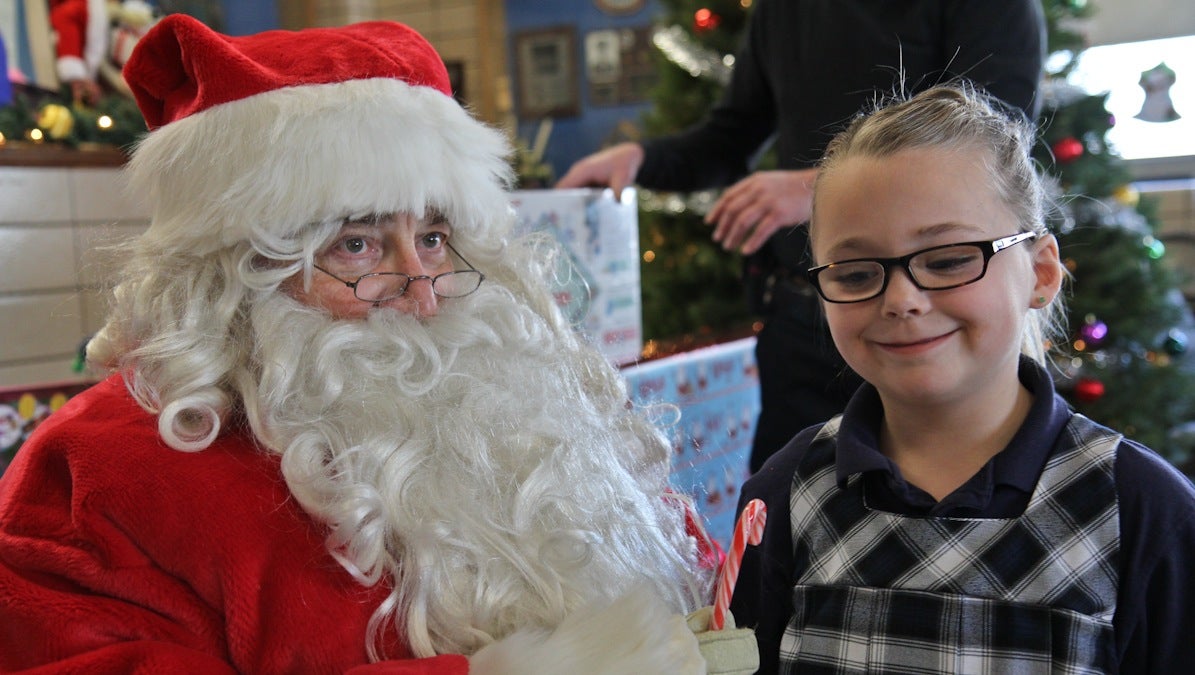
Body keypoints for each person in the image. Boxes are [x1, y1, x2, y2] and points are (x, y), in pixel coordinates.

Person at [0, 15, 760, 674]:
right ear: (235, 272)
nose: (423, 290)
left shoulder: (538, 412)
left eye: (434, 237)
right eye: (358, 245)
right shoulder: (97, 474)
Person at [729, 82, 1195, 673]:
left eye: (948, 260)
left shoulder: (1145, 511)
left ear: (1041, 272)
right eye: (853, 273)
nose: (902, 300)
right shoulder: (784, 494)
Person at [556, 0, 1046, 473]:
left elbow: (996, 144)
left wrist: (811, 189)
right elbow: (731, 135)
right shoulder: (783, 9)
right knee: (791, 512)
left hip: (938, 308)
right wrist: (640, 159)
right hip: (805, 317)